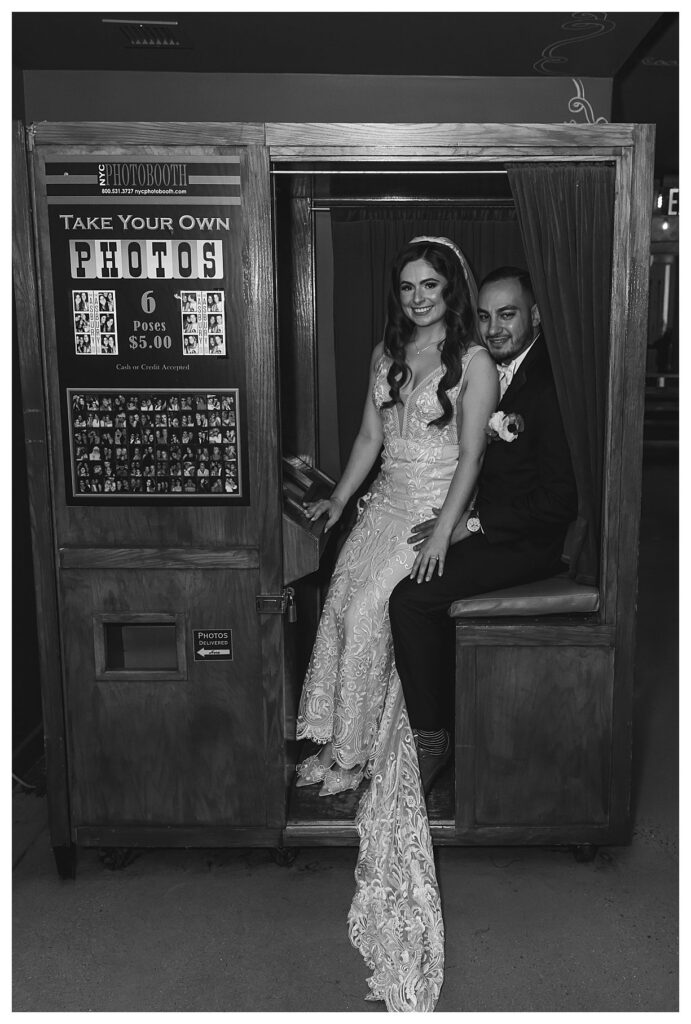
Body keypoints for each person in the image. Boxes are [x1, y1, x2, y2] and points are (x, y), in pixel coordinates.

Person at [295, 236, 498, 806]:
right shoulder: (385, 354)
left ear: (449, 288)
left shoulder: (475, 363)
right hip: (382, 503)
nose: (418, 298)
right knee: (338, 602)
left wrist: (441, 531)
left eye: (429, 285)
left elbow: (474, 457)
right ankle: (338, 739)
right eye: (407, 287)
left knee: (368, 613)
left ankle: (361, 753)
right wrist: (339, 500)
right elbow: (369, 435)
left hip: (430, 513)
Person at [389, 266, 578, 793]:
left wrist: (470, 523)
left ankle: (433, 738)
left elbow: (560, 501)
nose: (495, 328)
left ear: (535, 315)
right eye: (486, 316)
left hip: (528, 544)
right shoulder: (497, 368)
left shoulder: (548, 384)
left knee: (409, 600)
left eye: (509, 315)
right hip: (489, 526)